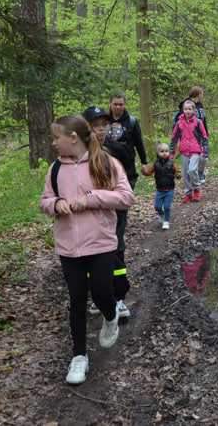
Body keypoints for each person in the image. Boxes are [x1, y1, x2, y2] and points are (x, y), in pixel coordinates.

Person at [39, 114, 135, 385]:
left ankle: (110, 315)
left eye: (56, 137)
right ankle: (79, 356)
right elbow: (44, 199)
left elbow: (126, 197)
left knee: (103, 294)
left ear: (72, 138)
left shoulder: (106, 162)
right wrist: (55, 203)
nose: (54, 143)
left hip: (101, 243)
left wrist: (92, 198)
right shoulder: (55, 169)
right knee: (77, 298)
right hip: (68, 246)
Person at [82, 106, 133, 319]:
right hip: (88, 215)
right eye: (95, 126)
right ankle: (98, 296)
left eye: (104, 125)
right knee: (92, 255)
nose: (101, 130)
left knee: (116, 250)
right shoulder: (80, 156)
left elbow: (129, 177)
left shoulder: (118, 150)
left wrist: (120, 202)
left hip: (114, 212)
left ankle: (118, 298)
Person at [170, 99, 209, 202]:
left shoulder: (198, 122)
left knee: (192, 170)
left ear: (193, 110)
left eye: (189, 109)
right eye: (185, 109)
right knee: (185, 173)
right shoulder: (179, 123)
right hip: (184, 150)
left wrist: (205, 150)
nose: (187, 111)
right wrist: (172, 153)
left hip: (196, 150)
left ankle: (196, 188)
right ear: (183, 110)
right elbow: (174, 138)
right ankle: (188, 193)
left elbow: (204, 136)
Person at [106, 92, 148, 187]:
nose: (118, 107)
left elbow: (139, 142)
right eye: (115, 104)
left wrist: (144, 162)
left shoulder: (131, 121)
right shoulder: (104, 121)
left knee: (127, 188)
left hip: (127, 163)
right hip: (108, 161)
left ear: (125, 104)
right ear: (110, 103)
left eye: (120, 104)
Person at [141, 142, 181, 229]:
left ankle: (166, 221)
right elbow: (149, 172)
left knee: (167, 206)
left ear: (169, 153)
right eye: (162, 151)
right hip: (159, 190)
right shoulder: (155, 164)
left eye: (166, 151)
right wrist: (144, 172)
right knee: (157, 206)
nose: (164, 153)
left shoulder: (172, 164)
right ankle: (161, 214)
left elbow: (177, 173)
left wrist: (178, 175)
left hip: (170, 189)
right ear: (158, 153)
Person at [178, 87, 209, 185]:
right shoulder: (186, 105)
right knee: (191, 160)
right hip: (189, 137)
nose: (202, 96)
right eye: (202, 93)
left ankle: (201, 172)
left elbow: (203, 120)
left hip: (201, 135)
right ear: (199, 94)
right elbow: (181, 121)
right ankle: (192, 181)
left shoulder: (200, 105)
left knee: (203, 158)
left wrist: (206, 134)